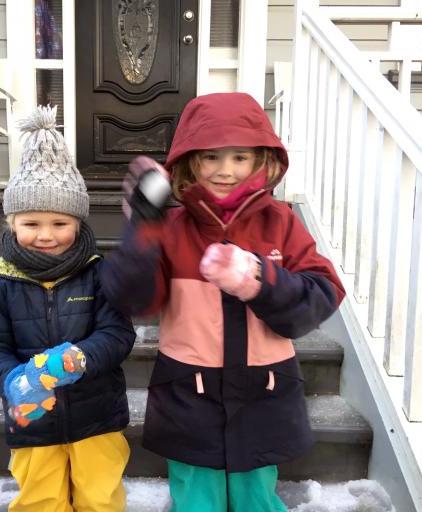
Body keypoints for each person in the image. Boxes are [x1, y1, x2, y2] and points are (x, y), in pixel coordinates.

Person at [100, 92, 346, 511]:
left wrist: (258, 278)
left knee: (256, 499)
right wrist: (143, 230)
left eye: (239, 157)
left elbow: (321, 293)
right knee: (196, 499)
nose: (225, 171)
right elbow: (134, 296)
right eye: (211, 157)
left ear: (260, 160)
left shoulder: (281, 222)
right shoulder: (173, 226)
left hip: (262, 392)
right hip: (189, 394)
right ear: (190, 161)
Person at [0, 105, 136, 512]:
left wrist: (82, 356)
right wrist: (12, 380)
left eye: (60, 223)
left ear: (79, 223)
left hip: (97, 414)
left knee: (100, 498)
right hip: (32, 418)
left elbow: (118, 334)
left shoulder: (98, 273)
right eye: (31, 223)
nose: (46, 235)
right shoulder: (0, 281)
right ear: (11, 223)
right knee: (40, 499)